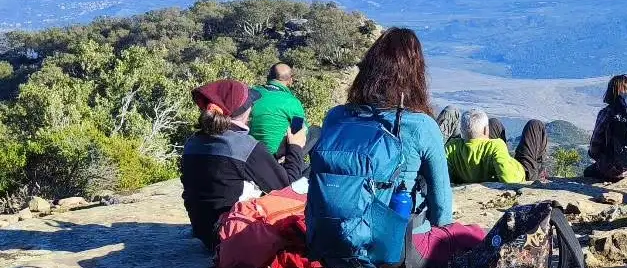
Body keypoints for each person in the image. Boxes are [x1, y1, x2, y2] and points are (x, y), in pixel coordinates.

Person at [308, 28, 488, 266]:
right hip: (399, 249)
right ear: (415, 75)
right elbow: (442, 209)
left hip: (332, 242)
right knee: (475, 236)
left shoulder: (336, 117)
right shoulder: (421, 125)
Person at [180, 79, 306, 252]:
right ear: (244, 111)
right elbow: (286, 187)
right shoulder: (244, 146)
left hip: (204, 232)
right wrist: (295, 148)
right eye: (251, 104)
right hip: (231, 236)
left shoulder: (192, 143)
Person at [445, 109, 549, 183]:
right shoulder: (496, 145)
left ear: (462, 130)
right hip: (522, 173)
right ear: (486, 130)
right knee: (535, 125)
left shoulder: (451, 147)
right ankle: (539, 173)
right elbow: (510, 179)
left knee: (493, 123)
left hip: (470, 175)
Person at [584, 74, 627, 181]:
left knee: (588, 172)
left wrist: (596, 156)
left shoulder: (608, 112)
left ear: (610, 92)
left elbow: (595, 144)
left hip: (614, 170)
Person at [250, 63, 308, 157]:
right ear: (290, 81)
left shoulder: (251, 93)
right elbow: (297, 132)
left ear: (268, 77)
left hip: (249, 152)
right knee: (315, 132)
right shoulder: (293, 102)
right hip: (275, 157)